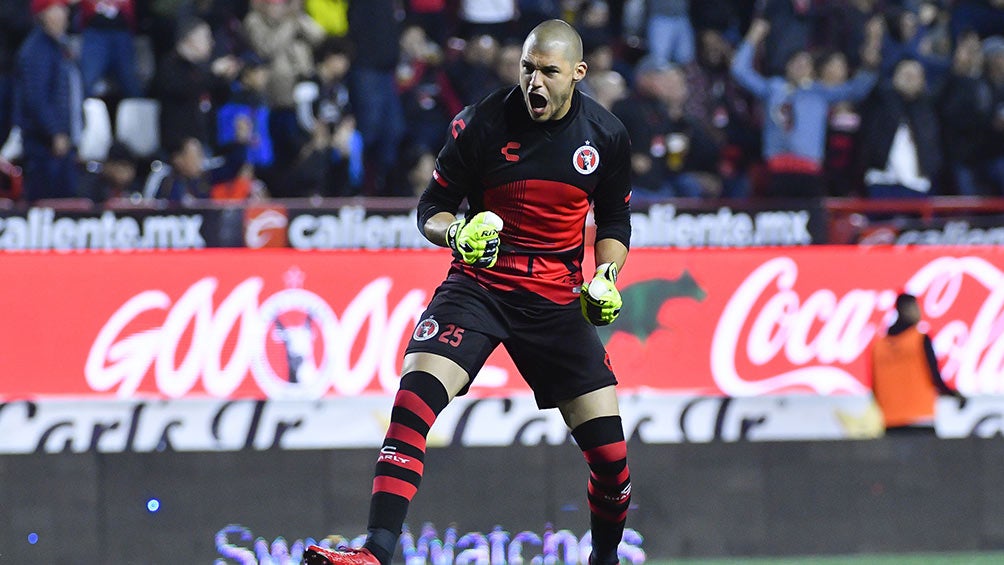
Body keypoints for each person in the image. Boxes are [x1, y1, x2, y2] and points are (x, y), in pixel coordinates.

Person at [304, 19, 633, 565]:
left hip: (554, 298)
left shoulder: (606, 135)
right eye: (528, 68)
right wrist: (455, 232)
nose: (535, 82)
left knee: (612, 461)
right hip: (480, 284)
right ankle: (375, 553)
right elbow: (429, 209)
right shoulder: (479, 123)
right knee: (413, 401)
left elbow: (616, 220)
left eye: (549, 72)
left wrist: (606, 275)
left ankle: (605, 560)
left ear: (578, 73)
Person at [14, 0, 82, 202]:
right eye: (57, 9)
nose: (64, 14)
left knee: (66, 203)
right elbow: (36, 97)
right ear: (43, 14)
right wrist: (55, 132)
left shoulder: (58, 47)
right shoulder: (37, 50)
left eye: (64, 9)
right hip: (44, 144)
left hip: (60, 141)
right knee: (48, 204)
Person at [871, 293, 960, 436]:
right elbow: (935, 378)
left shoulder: (878, 346)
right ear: (906, 310)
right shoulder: (919, 339)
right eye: (916, 308)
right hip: (921, 419)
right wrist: (954, 395)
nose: (919, 313)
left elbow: (875, 388)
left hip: (891, 422)